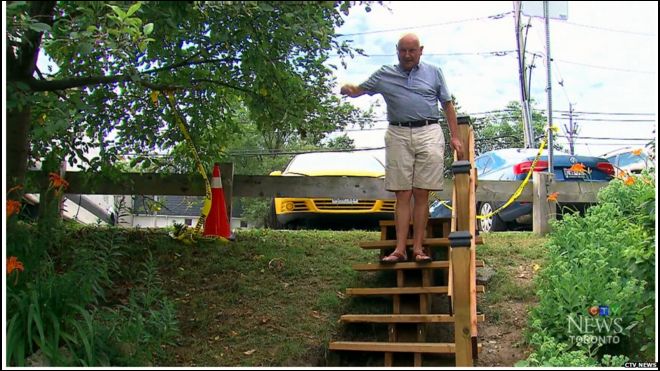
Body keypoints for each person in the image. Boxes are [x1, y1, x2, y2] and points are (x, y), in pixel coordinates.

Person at [340, 33, 463, 263]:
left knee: (422, 191)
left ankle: (418, 248)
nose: (407, 55)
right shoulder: (384, 74)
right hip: (397, 132)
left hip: (428, 130)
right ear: (397, 51)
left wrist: (455, 137)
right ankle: (399, 249)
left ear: (420, 50)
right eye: (403, 51)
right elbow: (361, 89)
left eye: (412, 50)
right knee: (402, 192)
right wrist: (350, 89)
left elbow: (447, 104)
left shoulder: (434, 72)